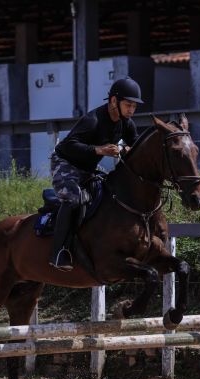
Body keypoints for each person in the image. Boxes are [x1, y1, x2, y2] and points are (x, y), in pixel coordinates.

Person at [48, 77, 143, 271]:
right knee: (74, 200)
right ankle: (58, 252)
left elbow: (135, 147)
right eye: (128, 105)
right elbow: (68, 146)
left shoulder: (127, 124)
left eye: (134, 106)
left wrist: (123, 150)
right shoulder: (93, 120)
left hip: (88, 169)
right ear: (113, 101)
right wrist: (99, 151)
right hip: (65, 163)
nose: (131, 110)